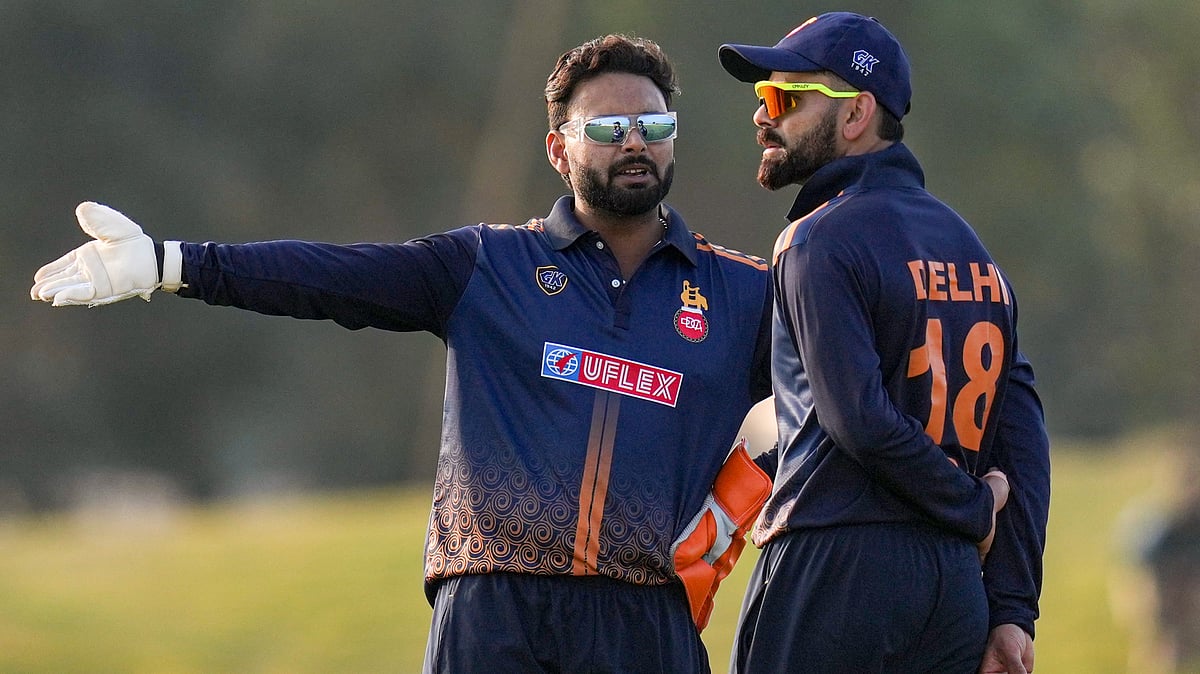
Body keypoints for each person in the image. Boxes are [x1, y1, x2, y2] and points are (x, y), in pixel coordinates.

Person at [31, 35, 774, 674]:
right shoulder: (489, 264)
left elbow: (847, 399)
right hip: (492, 610)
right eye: (609, 126)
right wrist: (172, 264)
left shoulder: (742, 294)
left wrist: (749, 492)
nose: (635, 140)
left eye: (653, 122)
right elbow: (329, 278)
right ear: (558, 148)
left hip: (644, 619)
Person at [717, 12, 1050, 674]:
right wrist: (1012, 608)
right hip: (952, 587)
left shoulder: (818, 239)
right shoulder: (977, 256)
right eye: (762, 98)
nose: (762, 115)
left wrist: (975, 506)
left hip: (832, 570)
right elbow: (1023, 437)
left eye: (785, 98)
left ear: (855, 114)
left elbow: (859, 423)